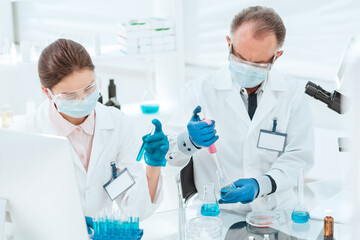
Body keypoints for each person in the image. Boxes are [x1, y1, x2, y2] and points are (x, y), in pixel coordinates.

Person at [166, 6, 314, 212]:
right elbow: (169, 156)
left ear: (276, 56)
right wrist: (189, 141)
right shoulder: (198, 91)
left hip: (276, 211)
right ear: (229, 44)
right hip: (218, 213)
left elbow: (299, 157)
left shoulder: (294, 94)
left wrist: (261, 185)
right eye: (240, 58)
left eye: (259, 63)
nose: (247, 67)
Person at [11, 39, 168, 226]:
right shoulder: (25, 134)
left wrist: (153, 166)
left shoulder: (117, 125)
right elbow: (15, 211)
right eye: (70, 96)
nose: (83, 99)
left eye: (89, 87)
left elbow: (135, 209)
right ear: (47, 92)